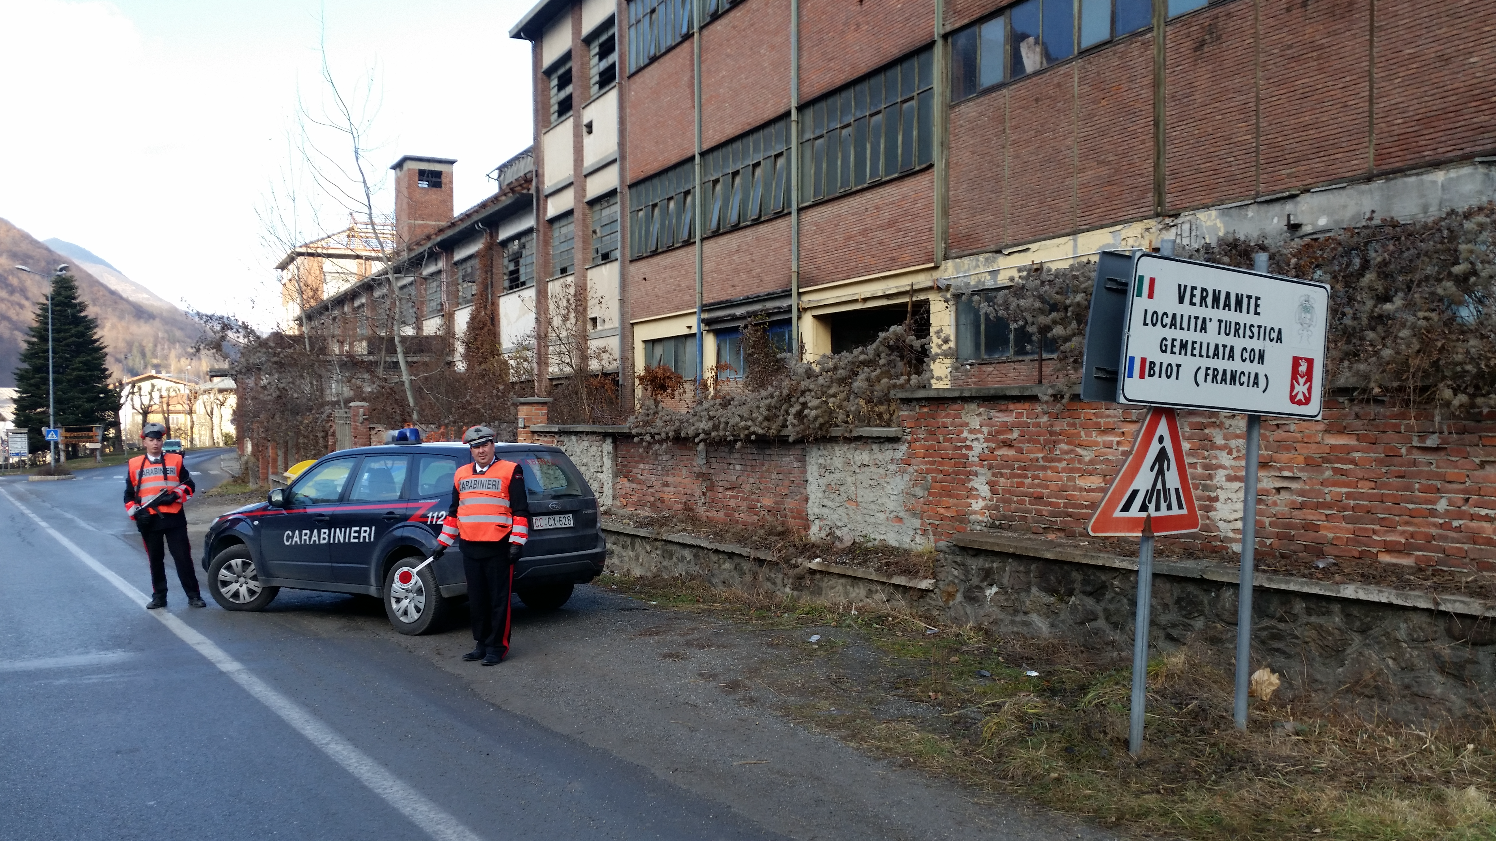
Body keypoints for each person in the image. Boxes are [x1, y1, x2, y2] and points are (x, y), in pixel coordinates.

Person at [430, 425, 529, 666]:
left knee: (498, 600)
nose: (481, 451)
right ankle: (481, 643)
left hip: (499, 547)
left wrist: (517, 542)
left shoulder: (510, 470)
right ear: (470, 450)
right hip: (470, 547)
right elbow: (454, 513)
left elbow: (521, 510)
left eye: (485, 445)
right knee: (477, 599)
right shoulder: (461, 474)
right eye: (476, 447)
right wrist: (442, 543)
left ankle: (497, 647)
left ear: (493, 445)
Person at [124, 422, 204, 610]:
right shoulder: (134, 464)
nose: (155, 444)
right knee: (155, 560)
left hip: (174, 518)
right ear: (144, 442)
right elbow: (128, 495)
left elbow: (190, 486)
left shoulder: (176, 460)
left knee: (183, 558)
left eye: (158, 440)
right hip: (149, 521)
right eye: (151, 440)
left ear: (163, 441)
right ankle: (159, 597)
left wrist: (175, 495)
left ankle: (194, 596)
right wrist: (137, 514)